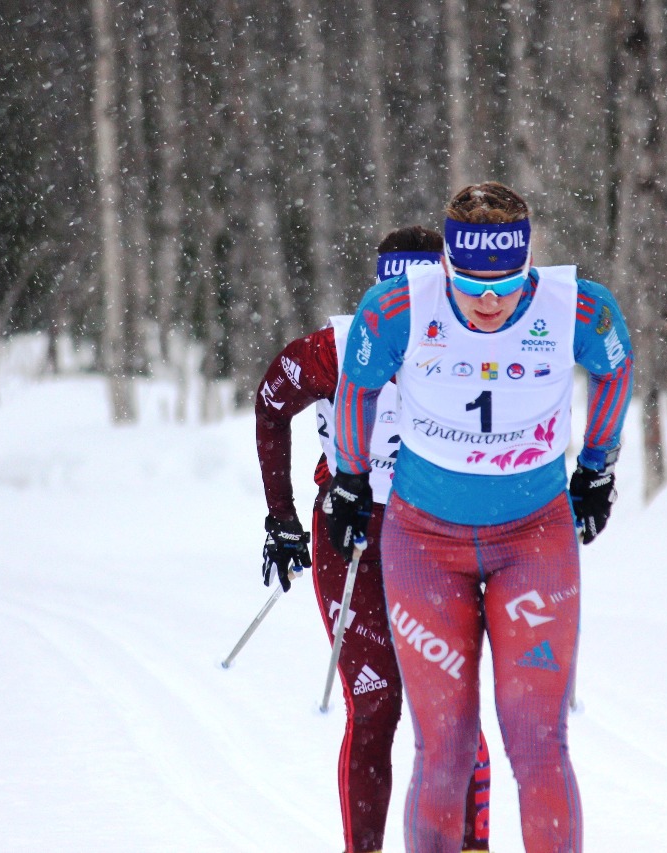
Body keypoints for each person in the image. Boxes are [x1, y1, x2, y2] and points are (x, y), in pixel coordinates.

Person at [325, 182, 633, 852]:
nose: (489, 300)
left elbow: (615, 363)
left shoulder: (577, 307)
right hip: (425, 546)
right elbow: (358, 385)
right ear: (445, 267)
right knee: (445, 749)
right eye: (470, 283)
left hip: (533, 540)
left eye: (506, 283)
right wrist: (349, 479)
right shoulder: (397, 308)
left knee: (538, 743)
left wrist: (597, 466)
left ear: (527, 267)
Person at [255, 226, 493, 853]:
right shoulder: (334, 347)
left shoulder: (475, 338)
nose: (406, 316)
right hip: (352, 542)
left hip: (440, 542)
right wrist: (280, 518)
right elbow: (271, 401)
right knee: (377, 709)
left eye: (422, 297)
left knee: (451, 712)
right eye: (396, 297)